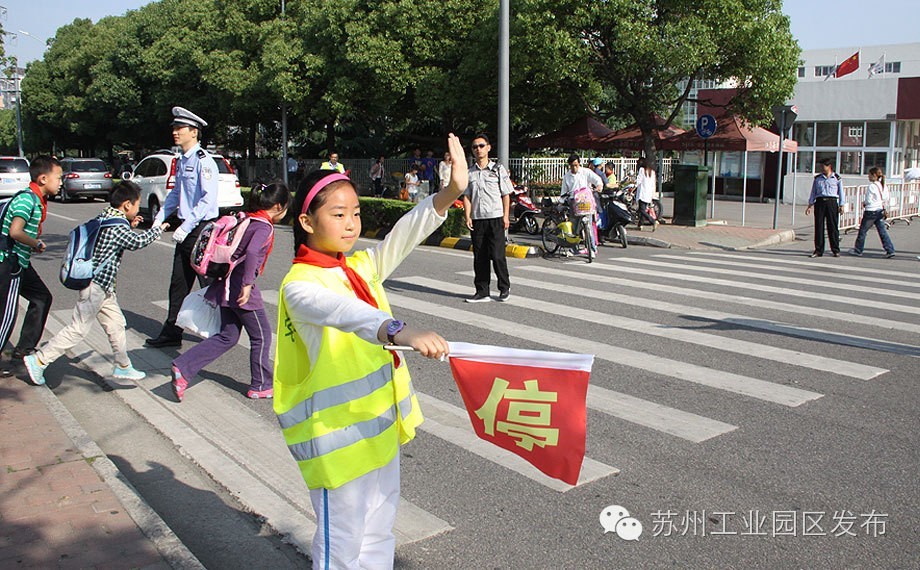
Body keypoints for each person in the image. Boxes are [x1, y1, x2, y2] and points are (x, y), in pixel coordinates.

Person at [273, 133, 468, 569]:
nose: (350, 223)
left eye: (355, 213)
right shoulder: (300, 285)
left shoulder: (359, 267)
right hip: (336, 441)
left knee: (380, 532)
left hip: (378, 429)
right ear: (307, 222)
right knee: (342, 543)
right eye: (338, 214)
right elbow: (345, 313)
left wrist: (451, 191)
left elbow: (404, 234)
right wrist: (400, 330)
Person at [22, 182, 170, 386]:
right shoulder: (117, 225)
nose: (137, 209)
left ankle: (123, 365)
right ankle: (39, 360)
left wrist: (130, 225)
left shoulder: (107, 217)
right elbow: (137, 243)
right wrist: (158, 229)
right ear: (127, 205)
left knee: (116, 324)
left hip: (104, 288)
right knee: (79, 329)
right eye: (136, 205)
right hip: (96, 286)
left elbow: (118, 239)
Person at [170, 182, 291, 402]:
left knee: (228, 336)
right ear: (280, 206)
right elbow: (253, 252)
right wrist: (247, 284)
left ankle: (183, 367)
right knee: (261, 336)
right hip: (241, 289)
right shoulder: (264, 225)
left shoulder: (248, 218)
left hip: (225, 285)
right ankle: (261, 384)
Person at [146, 106, 220, 348]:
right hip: (187, 231)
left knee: (208, 284)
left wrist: (186, 226)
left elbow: (207, 200)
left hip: (200, 231)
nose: (175, 132)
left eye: (180, 128)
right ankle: (172, 331)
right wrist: (159, 220)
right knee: (178, 283)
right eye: (175, 128)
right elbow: (176, 194)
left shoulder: (203, 161)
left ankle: (223, 330)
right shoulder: (181, 160)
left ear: (194, 132)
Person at [0, 156, 60, 377]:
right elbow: (16, 231)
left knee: (42, 297)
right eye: (58, 177)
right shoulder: (27, 200)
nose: (61, 182)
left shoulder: (36, 199)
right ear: (43, 179)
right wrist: (36, 243)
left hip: (20, 262)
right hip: (10, 261)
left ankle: (24, 349)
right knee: (6, 314)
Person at [463, 134, 513, 303]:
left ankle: (504, 287)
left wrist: (506, 216)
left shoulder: (497, 169)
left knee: (498, 255)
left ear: (489, 148)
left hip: (496, 217)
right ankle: (482, 291)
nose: (478, 149)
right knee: (480, 257)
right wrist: (467, 216)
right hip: (478, 219)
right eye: (475, 147)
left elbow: (506, 195)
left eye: (481, 145)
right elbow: (467, 197)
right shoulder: (469, 173)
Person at [849, 167, 895, 258]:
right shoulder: (883, 185)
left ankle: (858, 250)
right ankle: (890, 249)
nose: (868, 177)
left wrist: (864, 203)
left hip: (870, 211)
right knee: (882, 231)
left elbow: (869, 200)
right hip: (879, 210)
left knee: (863, 231)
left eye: (869, 175)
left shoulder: (872, 186)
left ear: (874, 175)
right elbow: (886, 198)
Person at [805, 157, 844, 258]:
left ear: (829, 166)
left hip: (831, 202)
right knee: (819, 227)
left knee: (833, 227)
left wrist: (841, 205)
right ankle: (818, 250)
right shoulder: (818, 178)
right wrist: (810, 205)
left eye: (823, 166)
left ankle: (835, 249)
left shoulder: (836, 178)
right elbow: (813, 192)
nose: (822, 168)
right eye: (821, 166)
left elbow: (841, 192)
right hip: (820, 202)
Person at [635, 157, 658, 231]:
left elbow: (639, 181)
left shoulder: (642, 170)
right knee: (643, 209)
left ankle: (653, 221)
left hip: (642, 193)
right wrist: (653, 194)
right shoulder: (652, 172)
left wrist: (633, 186)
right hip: (648, 194)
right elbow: (653, 184)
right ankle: (640, 224)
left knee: (641, 210)